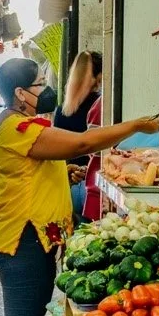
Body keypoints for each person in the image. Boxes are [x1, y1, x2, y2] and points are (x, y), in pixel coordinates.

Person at [0, 55, 159, 316]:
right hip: (21, 241)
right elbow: (80, 141)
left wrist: (63, 172)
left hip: (30, 239)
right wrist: (135, 127)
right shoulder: (17, 127)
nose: (46, 88)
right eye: (39, 83)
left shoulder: (22, 125)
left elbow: (32, 169)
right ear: (20, 94)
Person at [56, 52, 103, 221]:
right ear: (99, 77)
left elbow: (59, 152)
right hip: (93, 185)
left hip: (69, 187)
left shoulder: (62, 110)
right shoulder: (102, 106)